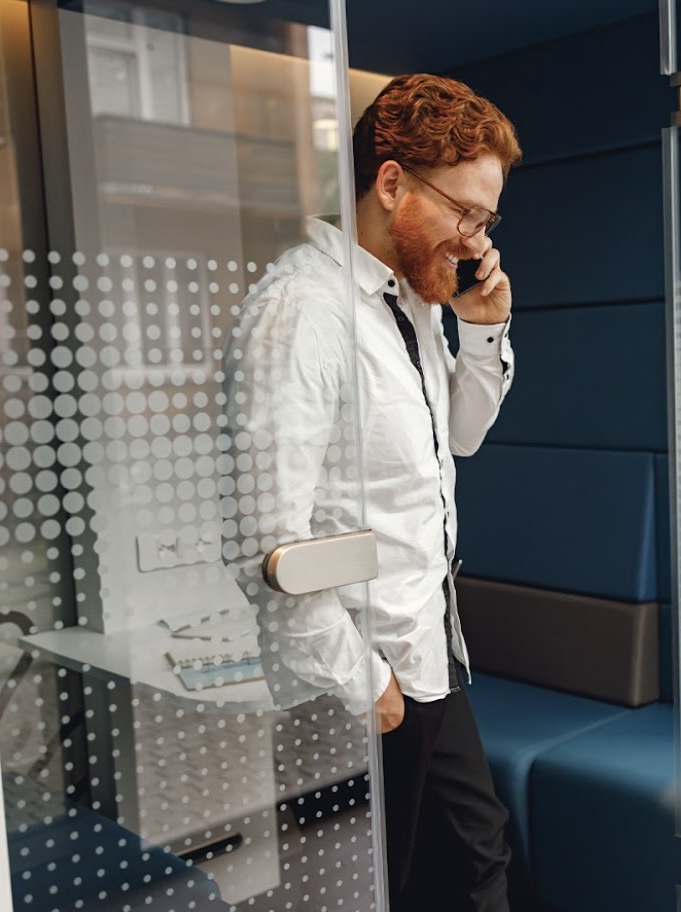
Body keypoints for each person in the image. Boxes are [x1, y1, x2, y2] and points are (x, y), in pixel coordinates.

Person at [222, 73, 521, 912]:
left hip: (430, 647)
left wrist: (486, 323)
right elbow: (264, 544)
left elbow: (458, 436)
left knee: (475, 860)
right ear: (391, 183)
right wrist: (366, 684)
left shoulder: (414, 302)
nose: (473, 238)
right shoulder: (300, 313)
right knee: (367, 890)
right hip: (358, 681)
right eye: (465, 212)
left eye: (486, 222)